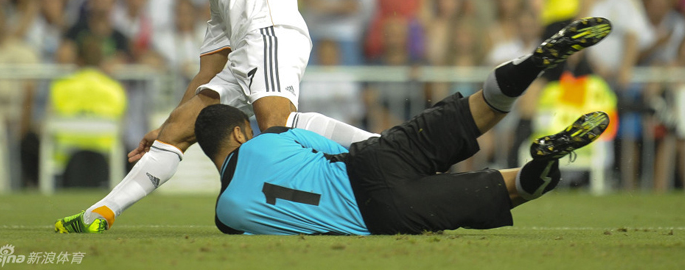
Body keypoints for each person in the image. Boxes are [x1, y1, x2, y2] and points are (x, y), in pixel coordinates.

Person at [55, 0, 376, 233]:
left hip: (271, 32)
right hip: (244, 52)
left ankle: (380, 151)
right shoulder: (220, 5)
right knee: (178, 129)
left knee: (277, 132)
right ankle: (100, 213)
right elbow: (206, 75)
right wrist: (164, 126)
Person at [196, 18, 612, 235]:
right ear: (239, 132)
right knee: (477, 109)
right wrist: (393, 150)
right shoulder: (271, 140)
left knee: (509, 189)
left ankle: (542, 164)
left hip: (381, 215)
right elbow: (328, 140)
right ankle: (532, 64)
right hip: (373, 160)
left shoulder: (226, 217)